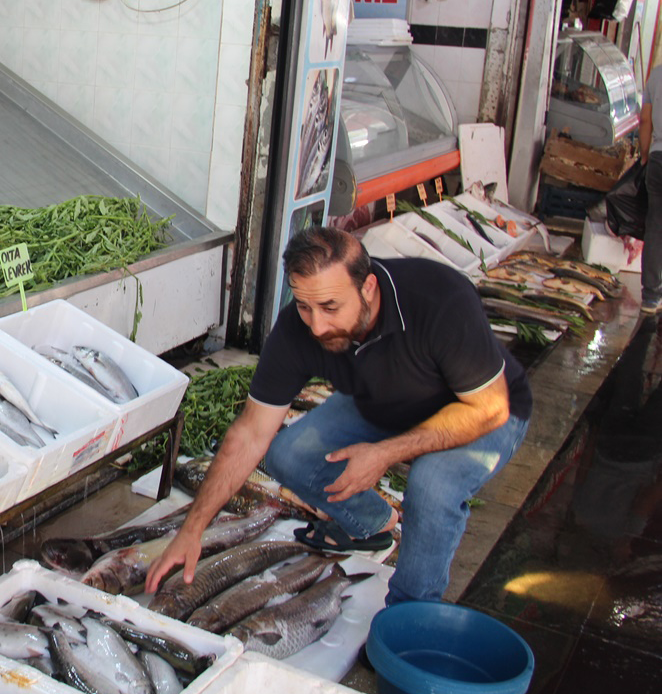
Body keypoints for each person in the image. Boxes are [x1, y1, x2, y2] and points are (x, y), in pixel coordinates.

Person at [145, 227, 533, 606]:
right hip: (381, 400)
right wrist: (192, 530)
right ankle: (371, 526)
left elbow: (490, 408)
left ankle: (410, 614)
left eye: (330, 307)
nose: (317, 326)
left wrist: (384, 453)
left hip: (480, 409)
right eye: (304, 306)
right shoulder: (297, 330)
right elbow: (250, 433)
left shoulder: (439, 298)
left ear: (368, 287)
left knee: (431, 488)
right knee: (288, 454)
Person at [637, 70, 662, 313]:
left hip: (658, 159)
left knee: (655, 227)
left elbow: (645, 120)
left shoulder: (656, 76)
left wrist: (645, 156)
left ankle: (651, 296)